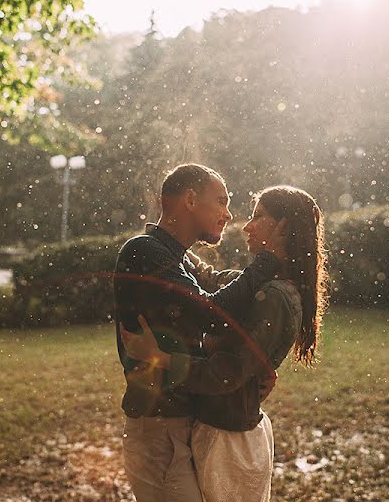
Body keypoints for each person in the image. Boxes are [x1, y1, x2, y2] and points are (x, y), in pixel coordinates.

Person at [122, 185, 329, 502]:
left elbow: (226, 373)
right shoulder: (263, 284)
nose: (246, 225)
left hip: (230, 441)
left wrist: (163, 361)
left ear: (283, 227)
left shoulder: (275, 295)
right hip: (215, 431)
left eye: (258, 217)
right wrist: (171, 243)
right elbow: (210, 281)